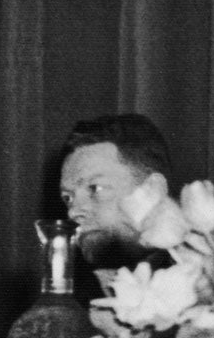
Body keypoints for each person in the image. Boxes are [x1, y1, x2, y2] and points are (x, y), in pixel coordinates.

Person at [58, 112, 174, 266]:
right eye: (68, 198)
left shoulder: (207, 281)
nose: (72, 212)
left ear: (154, 191)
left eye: (95, 188)